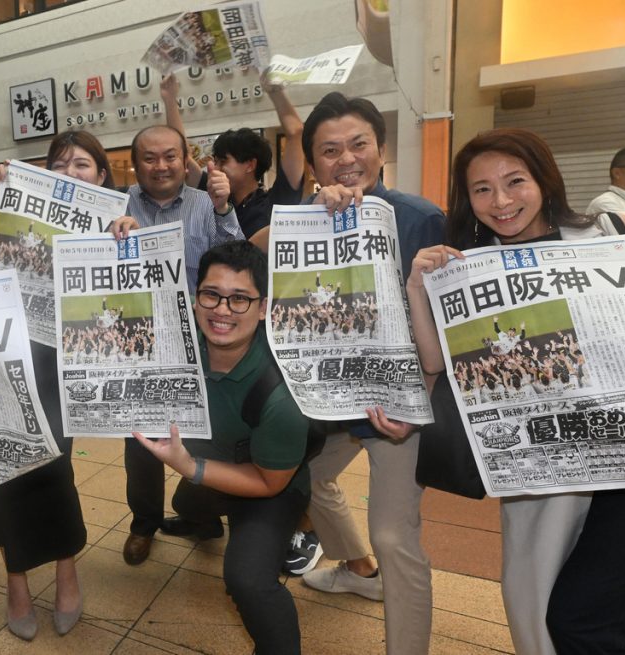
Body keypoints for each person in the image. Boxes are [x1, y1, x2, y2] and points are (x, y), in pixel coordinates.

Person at [406, 127, 625, 654]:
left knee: (582, 619)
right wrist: (418, 290)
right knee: (557, 611)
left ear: (544, 180)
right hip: (548, 476)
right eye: (482, 189)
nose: (502, 200)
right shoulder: (468, 265)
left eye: (515, 181)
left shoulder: (607, 230)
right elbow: (432, 361)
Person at [280, 93, 443, 655]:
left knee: (395, 535)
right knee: (309, 477)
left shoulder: (420, 218)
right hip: (334, 402)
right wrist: (306, 211)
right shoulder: (305, 222)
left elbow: (448, 331)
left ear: (380, 149)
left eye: (358, 144)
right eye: (329, 150)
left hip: (399, 407)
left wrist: (417, 405)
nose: (345, 158)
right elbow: (245, 259)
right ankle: (357, 570)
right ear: (314, 163)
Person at [0, 131, 108, 641]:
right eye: (61, 164)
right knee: (3, 468)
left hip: (62, 367)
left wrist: (125, 238)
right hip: (2, 359)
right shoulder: (14, 213)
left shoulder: (112, 222)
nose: (72, 172)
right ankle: (16, 580)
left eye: (84, 164)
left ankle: (67, 571)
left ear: (102, 176)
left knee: (54, 468)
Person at [134, 240, 310, 655]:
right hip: (210, 464)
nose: (222, 310)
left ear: (264, 307)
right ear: (195, 299)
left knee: (248, 579)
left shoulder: (283, 391)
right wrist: (121, 241)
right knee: (187, 504)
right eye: (211, 295)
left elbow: (269, 482)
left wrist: (190, 465)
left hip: (269, 480)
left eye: (240, 299)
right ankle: (205, 522)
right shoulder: (178, 342)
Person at [109, 124, 244, 566]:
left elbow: (236, 263)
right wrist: (111, 239)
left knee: (204, 437)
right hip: (137, 347)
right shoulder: (117, 204)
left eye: (170, 156)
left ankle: (201, 516)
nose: (161, 165)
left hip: (200, 344)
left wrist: (225, 209)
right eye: (150, 157)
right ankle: (143, 524)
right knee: (141, 445)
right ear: (134, 162)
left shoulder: (207, 203)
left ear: (185, 159)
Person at [160, 73, 306, 238]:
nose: (216, 169)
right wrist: (170, 100)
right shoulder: (214, 196)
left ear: (250, 165)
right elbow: (183, 156)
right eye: (215, 162)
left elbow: (295, 132)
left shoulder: (276, 202)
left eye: (223, 161)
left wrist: (275, 91)